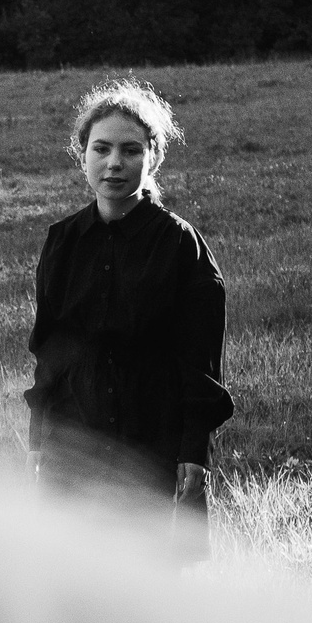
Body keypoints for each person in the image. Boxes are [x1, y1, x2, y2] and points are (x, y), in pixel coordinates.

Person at [25, 77, 232, 546]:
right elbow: (50, 350)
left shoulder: (180, 246)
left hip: (152, 444)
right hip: (73, 448)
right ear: (83, 155)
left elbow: (201, 362)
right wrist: (39, 440)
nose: (114, 163)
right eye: (101, 149)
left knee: (150, 590)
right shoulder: (62, 241)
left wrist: (194, 451)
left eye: (130, 150)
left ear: (152, 157)